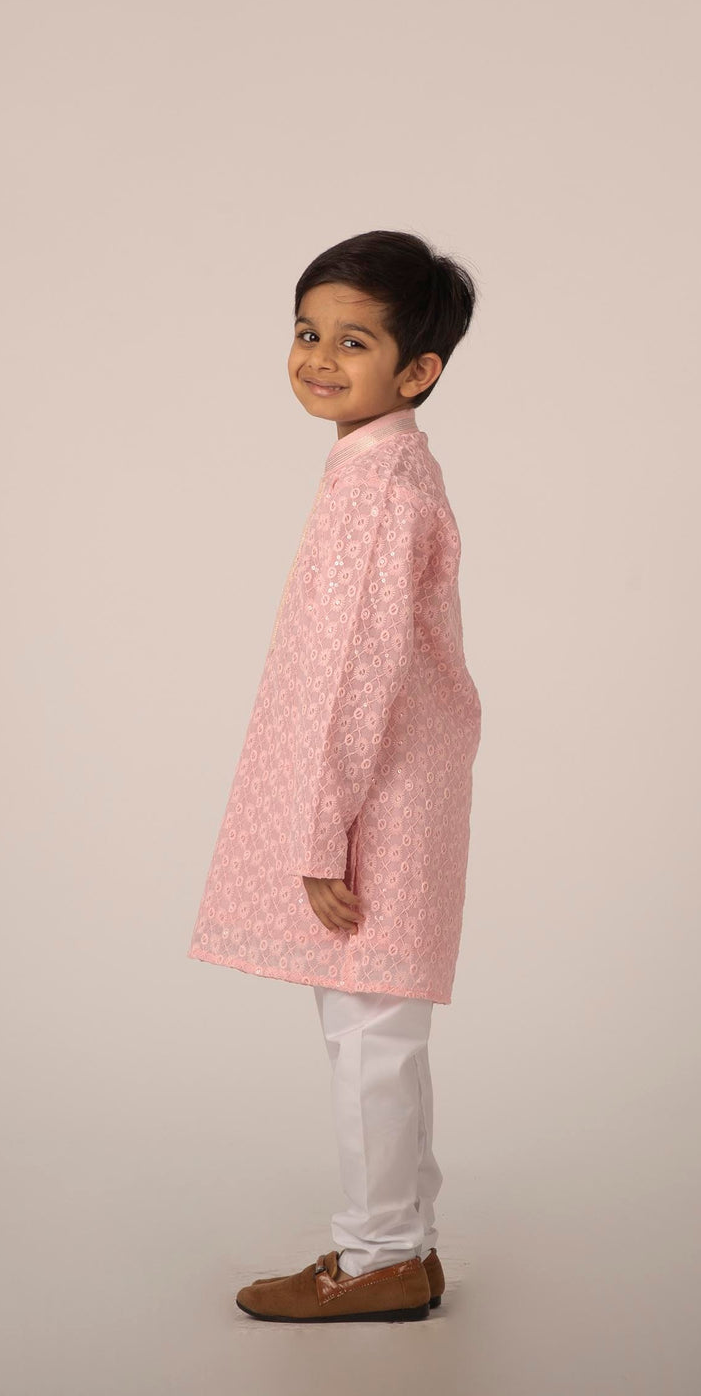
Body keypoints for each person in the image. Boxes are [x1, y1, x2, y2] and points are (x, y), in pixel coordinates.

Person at [188, 229, 482, 1322]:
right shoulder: (379, 466)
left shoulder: (379, 489)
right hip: (389, 790)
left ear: (418, 370)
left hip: (373, 805)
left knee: (367, 1039)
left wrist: (321, 832)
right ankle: (404, 1244)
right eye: (307, 332)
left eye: (353, 342)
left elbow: (356, 670)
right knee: (380, 1034)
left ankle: (378, 1259)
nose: (318, 357)